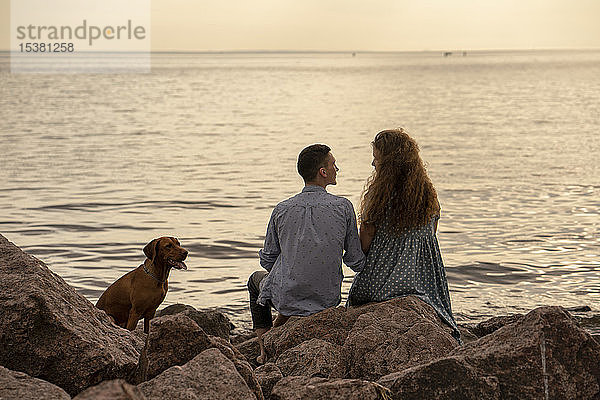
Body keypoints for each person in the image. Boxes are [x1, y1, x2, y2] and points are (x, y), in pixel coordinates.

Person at [248, 144, 366, 363]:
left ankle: (265, 349)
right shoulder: (343, 207)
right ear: (323, 172)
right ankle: (276, 334)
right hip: (327, 300)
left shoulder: (282, 209)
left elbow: (267, 261)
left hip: (288, 298)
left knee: (254, 282)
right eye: (333, 165)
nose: (336, 168)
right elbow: (355, 261)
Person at [347, 128, 461, 342]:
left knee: (358, 295)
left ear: (388, 163)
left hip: (380, 283)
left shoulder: (378, 195)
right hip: (425, 282)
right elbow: (430, 236)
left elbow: (366, 241)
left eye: (376, 159)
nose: (373, 164)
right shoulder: (427, 194)